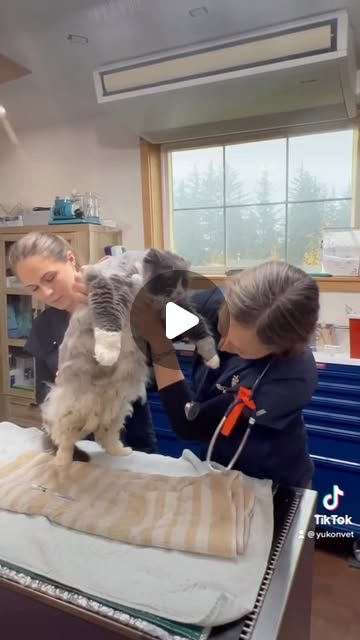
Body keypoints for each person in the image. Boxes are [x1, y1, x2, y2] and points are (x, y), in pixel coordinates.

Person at [74, 259, 319, 488]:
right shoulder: (211, 307)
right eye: (223, 330)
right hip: (216, 468)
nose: (223, 346)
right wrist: (106, 287)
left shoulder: (287, 380)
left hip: (271, 482)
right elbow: (142, 312)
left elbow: (189, 425)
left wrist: (160, 342)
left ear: (277, 348)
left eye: (239, 349)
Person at [8, 231, 157, 456]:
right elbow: (42, 396)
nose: (46, 293)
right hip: (79, 447)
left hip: (130, 442)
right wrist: (62, 389)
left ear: (70, 259)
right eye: (35, 288)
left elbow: (178, 327)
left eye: (50, 278)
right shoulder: (44, 326)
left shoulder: (117, 298)